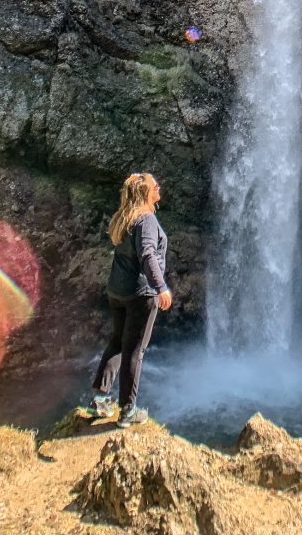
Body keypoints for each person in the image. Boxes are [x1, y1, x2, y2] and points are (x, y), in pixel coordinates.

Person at [90, 172, 172, 427]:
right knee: (135, 351)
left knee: (118, 342)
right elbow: (147, 254)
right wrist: (161, 288)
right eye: (154, 185)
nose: (159, 187)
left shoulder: (125, 218)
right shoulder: (146, 219)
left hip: (118, 291)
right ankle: (128, 411)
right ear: (145, 193)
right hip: (140, 293)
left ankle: (100, 399)